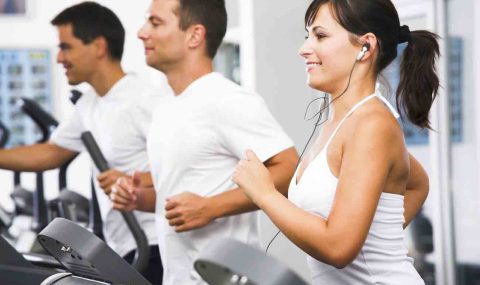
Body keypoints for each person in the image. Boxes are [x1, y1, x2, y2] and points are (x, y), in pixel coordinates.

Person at [233, 0, 437, 284]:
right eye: (308, 36)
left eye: (320, 35)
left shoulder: (372, 124)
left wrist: (265, 194)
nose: (304, 49)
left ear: (365, 47)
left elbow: (338, 248)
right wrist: (371, 231)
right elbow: (418, 183)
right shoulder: (340, 122)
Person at [110, 0, 298, 284]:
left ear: (194, 35)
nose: (141, 32)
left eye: (155, 22)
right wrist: (141, 199)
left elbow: (289, 168)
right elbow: (183, 200)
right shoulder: (167, 109)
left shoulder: (228, 100)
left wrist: (212, 207)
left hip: (224, 276)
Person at [0, 2, 165, 284]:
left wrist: (134, 182)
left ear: (99, 46)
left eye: (66, 47)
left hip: (154, 244)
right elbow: (51, 153)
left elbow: (182, 165)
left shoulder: (144, 101)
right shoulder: (90, 104)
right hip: (123, 246)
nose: (59, 58)